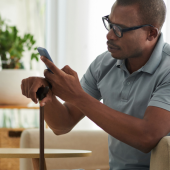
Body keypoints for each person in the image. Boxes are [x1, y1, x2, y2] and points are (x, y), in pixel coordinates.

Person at [21, 0, 170, 169]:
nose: (109, 35)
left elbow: (147, 137)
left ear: (151, 33)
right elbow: (63, 124)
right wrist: (44, 93)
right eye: (110, 24)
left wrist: (78, 96)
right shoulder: (104, 64)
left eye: (120, 29)